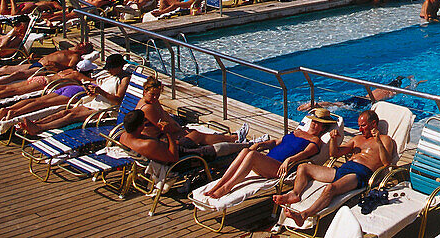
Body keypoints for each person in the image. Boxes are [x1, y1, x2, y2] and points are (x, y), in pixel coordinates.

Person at [273, 108, 396, 224]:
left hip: (359, 174)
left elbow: (386, 163)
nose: (359, 129)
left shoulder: (385, 140)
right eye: (359, 125)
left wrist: (378, 141)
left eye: (363, 126)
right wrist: (333, 139)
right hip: (343, 169)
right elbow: (334, 154)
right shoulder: (357, 139)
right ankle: (295, 193)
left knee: (330, 189)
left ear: (373, 124)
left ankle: (303, 215)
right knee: (303, 167)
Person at [202, 108, 337, 201]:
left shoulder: (316, 141)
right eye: (313, 121)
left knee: (252, 156)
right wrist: (260, 144)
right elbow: (276, 142)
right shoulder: (297, 132)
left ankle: (227, 187)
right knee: (246, 151)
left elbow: (306, 153)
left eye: (318, 123)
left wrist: (289, 159)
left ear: (323, 128)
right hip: (268, 161)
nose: (313, 124)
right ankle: (219, 183)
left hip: (280, 168)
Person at [19, 54, 131, 135]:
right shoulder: (110, 76)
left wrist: (100, 92)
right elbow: (100, 89)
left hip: (106, 110)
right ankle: (36, 123)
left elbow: (118, 100)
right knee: (65, 112)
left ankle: (39, 128)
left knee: (71, 117)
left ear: (119, 67)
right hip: (95, 102)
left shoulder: (124, 79)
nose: (108, 70)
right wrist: (92, 91)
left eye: (111, 68)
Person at [137, 76, 248, 149]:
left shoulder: (151, 102)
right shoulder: (148, 108)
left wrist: (179, 128)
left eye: (158, 94)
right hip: (161, 144)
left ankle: (232, 138)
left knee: (191, 131)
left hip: (162, 137)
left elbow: (165, 116)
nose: (156, 97)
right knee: (197, 135)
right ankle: (234, 139)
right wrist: (178, 130)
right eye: (153, 94)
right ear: (145, 91)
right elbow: (164, 128)